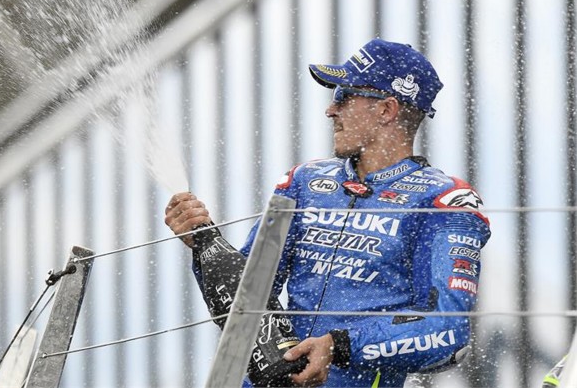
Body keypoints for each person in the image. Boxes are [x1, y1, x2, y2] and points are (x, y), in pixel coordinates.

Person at [165, 38, 491, 387]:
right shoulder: (302, 181)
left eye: (343, 96)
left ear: (386, 110)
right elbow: (247, 299)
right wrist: (205, 242)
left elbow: (448, 331)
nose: (330, 110)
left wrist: (338, 346)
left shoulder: (444, 199)